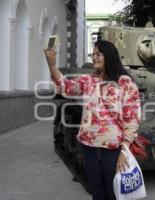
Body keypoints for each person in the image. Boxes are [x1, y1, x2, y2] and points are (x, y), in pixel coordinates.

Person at [44, 40, 142, 200]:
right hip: (89, 147)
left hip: (113, 150)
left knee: (114, 193)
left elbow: (132, 119)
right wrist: (52, 65)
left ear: (109, 56)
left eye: (98, 54)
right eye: (93, 54)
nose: (94, 57)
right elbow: (65, 86)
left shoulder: (125, 83)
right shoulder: (88, 80)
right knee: (97, 193)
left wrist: (124, 150)